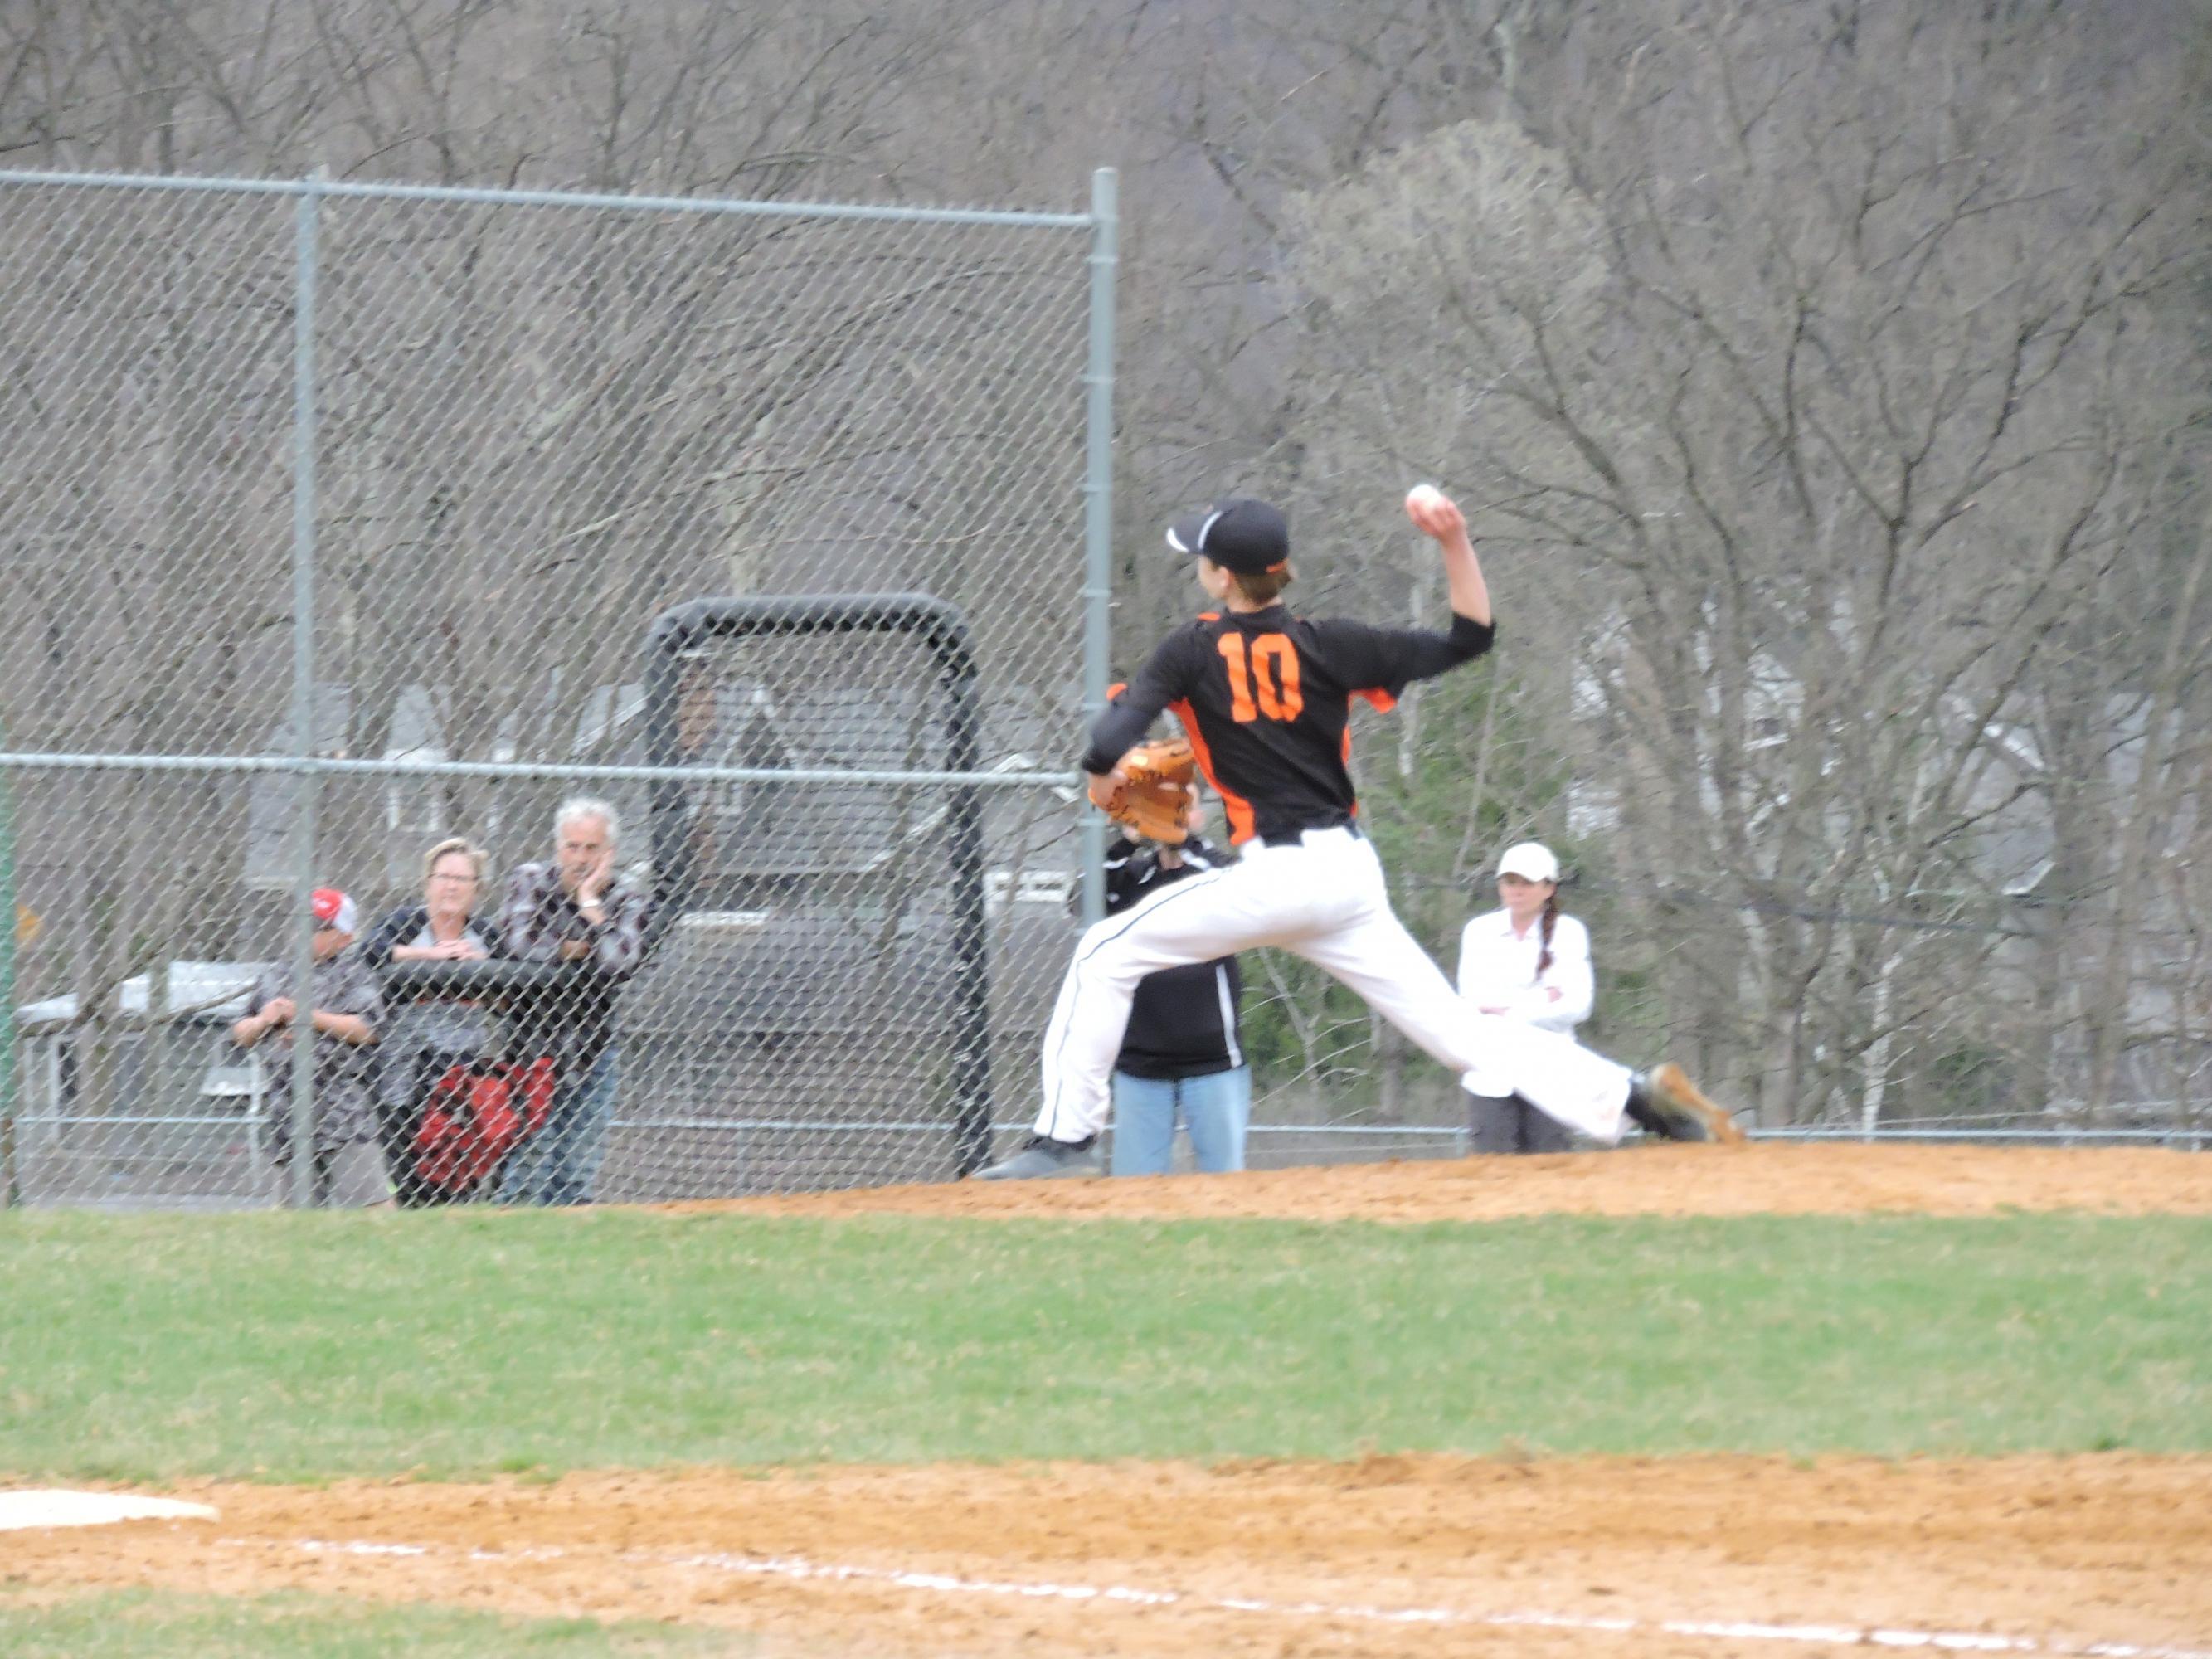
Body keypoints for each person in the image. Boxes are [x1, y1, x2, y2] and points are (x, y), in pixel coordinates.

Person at [976, 489, 1738, 1180]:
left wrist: (1099, 772)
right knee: (1462, 1039)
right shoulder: (1331, 643)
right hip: (1347, 878)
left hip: (1273, 880)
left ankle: (1062, 1142)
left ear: (1219, 578)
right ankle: (1640, 1103)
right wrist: (1453, 541)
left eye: (1201, 560)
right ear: (1284, 571)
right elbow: (1469, 638)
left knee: (1105, 953)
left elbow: (1116, 731)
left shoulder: (1191, 648)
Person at [497, 798, 650, 1206]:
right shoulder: (531, 880)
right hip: (531, 1049)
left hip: (592, 1047)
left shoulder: (625, 896)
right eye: (572, 846)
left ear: (609, 854)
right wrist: (576, 950)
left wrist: (590, 906)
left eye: (591, 848)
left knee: (575, 1175)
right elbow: (517, 945)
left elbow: (620, 961)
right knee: (528, 1170)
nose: (580, 858)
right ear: (557, 847)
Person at [1098, 825, 1249, 1175]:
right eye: (1163, 801)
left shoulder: (1216, 873)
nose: (1172, 811)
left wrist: (1184, 840)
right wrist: (1128, 840)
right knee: (1135, 1189)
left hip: (1214, 1060)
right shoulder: (1132, 876)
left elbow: (1245, 887)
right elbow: (1081, 897)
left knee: (1226, 1183)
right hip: (1141, 1062)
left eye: (1184, 802)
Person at [358, 837, 502, 1204]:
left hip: (463, 1064)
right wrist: (431, 955)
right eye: (443, 877)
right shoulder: (407, 923)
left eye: (462, 879)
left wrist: (479, 968)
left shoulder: (485, 934)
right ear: (428, 883)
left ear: (476, 889)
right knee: (405, 1157)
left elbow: (511, 982)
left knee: (456, 1160)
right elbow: (370, 951)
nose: (451, 886)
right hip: (405, 1062)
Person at [231, 887, 391, 1208]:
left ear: (345, 937)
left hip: (340, 1107)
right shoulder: (276, 975)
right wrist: (265, 1020)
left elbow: (368, 1028)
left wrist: (305, 1016)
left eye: (320, 926)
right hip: (286, 1108)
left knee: (373, 1206)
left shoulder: (353, 974)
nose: (307, 933)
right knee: (295, 1216)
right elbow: (241, 1031)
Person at [1456, 840, 1591, 1155]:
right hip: (1490, 1072)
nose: (1517, 890)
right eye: (1510, 882)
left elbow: (1578, 1006)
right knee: (1492, 1168)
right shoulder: (1479, 931)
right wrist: (1544, 999)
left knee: (1550, 1166)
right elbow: (1471, 1001)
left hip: (1551, 1072)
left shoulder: (1569, 932)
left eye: (1527, 883)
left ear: (1548, 888)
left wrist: (1509, 1012)